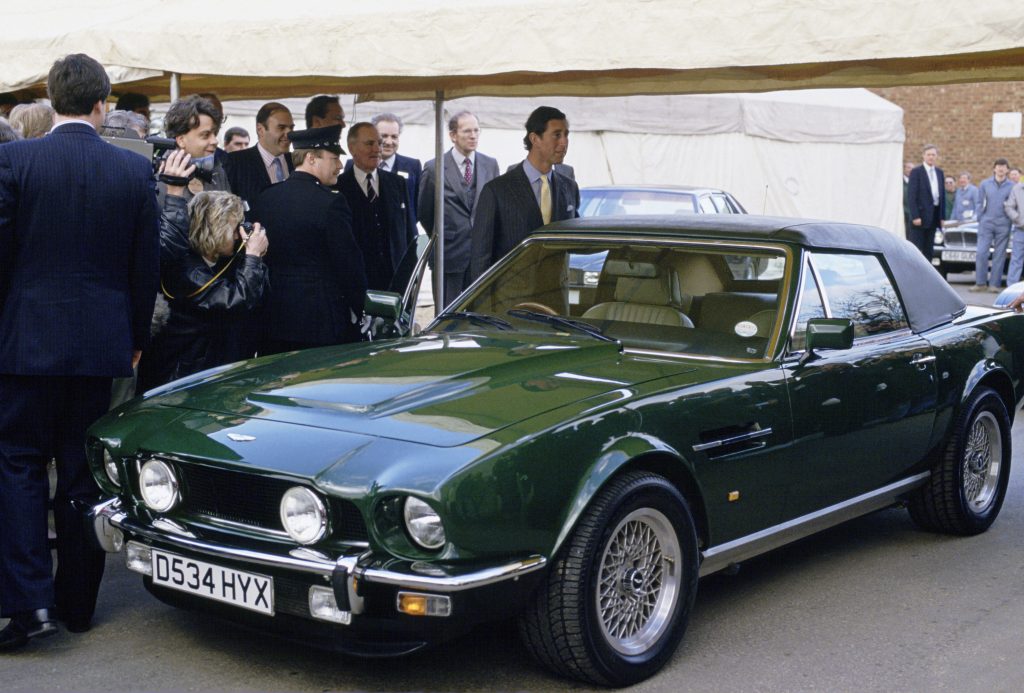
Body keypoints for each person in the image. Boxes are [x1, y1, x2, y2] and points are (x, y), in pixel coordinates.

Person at [0, 53, 159, 648]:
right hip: (100, 345)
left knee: (17, 466)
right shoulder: (132, 170)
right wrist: (136, 339)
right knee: (82, 475)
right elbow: (145, 267)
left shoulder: (15, 160)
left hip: (26, 343)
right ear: (103, 104)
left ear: (51, 96)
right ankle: (78, 606)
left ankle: (30, 606)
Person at [250, 125, 367, 353]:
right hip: (320, 321)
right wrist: (361, 306)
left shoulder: (266, 197)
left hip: (273, 319)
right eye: (334, 159)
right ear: (311, 159)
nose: (340, 166)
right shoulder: (331, 202)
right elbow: (348, 264)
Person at [136, 191, 268, 391]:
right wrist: (253, 257)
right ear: (215, 228)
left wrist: (250, 254)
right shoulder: (187, 271)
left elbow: (258, 296)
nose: (237, 234)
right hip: (179, 378)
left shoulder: (217, 259)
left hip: (203, 367)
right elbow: (237, 303)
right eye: (234, 228)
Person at [470, 106, 580, 280]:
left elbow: (577, 238)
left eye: (567, 135)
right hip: (510, 298)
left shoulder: (569, 187)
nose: (564, 142)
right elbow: (480, 257)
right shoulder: (497, 191)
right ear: (535, 139)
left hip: (556, 296)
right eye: (557, 135)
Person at [418, 110, 499, 306]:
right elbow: (424, 212)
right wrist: (445, 235)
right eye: (467, 131)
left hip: (482, 258)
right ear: (453, 135)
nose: (473, 136)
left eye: (476, 131)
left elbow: (495, 208)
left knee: (479, 316)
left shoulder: (490, 165)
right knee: (447, 316)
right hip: (448, 257)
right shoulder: (434, 167)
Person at [337, 122, 416, 292]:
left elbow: (410, 232)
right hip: (356, 283)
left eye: (378, 143)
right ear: (352, 149)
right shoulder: (339, 187)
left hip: (395, 283)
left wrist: (411, 274)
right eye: (369, 144)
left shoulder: (397, 183)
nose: (377, 149)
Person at [161, 95, 230, 202]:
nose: (215, 141)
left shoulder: (217, 169)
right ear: (181, 140)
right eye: (205, 135)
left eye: (214, 133)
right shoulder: (160, 177)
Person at [224, 102, 295, 206]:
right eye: (281, 127)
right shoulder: (235, 163)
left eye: (291, 128)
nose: (289, 134)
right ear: (260, 130)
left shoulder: (297, 162)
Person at [972, 158, 1014, 292]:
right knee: (981, 253)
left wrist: (1010, 221)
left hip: (1003, 223)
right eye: (998, 166)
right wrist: (980, 217)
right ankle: (980, 283)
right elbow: (979, 202)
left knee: (999, 255)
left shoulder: (1012, 186)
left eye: (1003, 167)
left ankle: (994, 284)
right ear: (994, 168)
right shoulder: (985, 184)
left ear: (1007, 170)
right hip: (986, 222)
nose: (1001, 169)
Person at [371, 113, 421, 220]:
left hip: (402, 234)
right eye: (384, 136)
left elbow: (419, 205)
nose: (389, 142)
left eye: (394, 137)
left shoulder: (413, 166)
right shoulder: (355, 164)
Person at [906, 144, 945, 261]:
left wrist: (942, 217)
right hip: (920, 217)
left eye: (933, 155)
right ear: (923, 156)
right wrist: (915, 216)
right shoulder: (916, 172)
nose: (931, 157)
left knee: (929, 250)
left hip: (934, 216)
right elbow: (911, 196)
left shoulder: (939, 172)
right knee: (916, 249)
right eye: (928, 155)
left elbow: (941, 195)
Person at [1003, 172, 1024, 285]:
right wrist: (1018, 219)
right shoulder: (1017, 188)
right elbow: (1009, 207)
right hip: (1021, 230)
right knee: (1016, 260)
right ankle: (1011, 288)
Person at [903, 161, 914, 236]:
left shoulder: (915, 182)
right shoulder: (899, 182)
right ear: (904, 169)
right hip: (903, 213)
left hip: (912, 215)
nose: (910, 170)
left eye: (912, 168)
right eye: (908, 168)